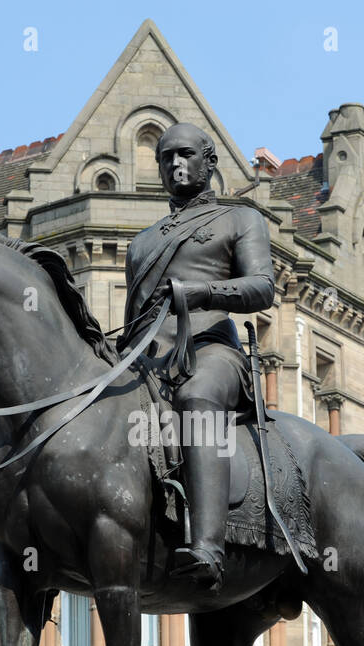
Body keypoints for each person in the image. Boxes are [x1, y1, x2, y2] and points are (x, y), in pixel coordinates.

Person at [117, 122, 275, 590]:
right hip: (148, 357)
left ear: (210, 162)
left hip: (211, 349)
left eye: (185, 155)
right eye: (165, 157)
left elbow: (262, 287)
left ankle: (208, 546)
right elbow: (133, 317)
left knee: (197, 396)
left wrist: (203, 292)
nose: (174, 165)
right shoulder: (143, 242)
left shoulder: (239, 219)